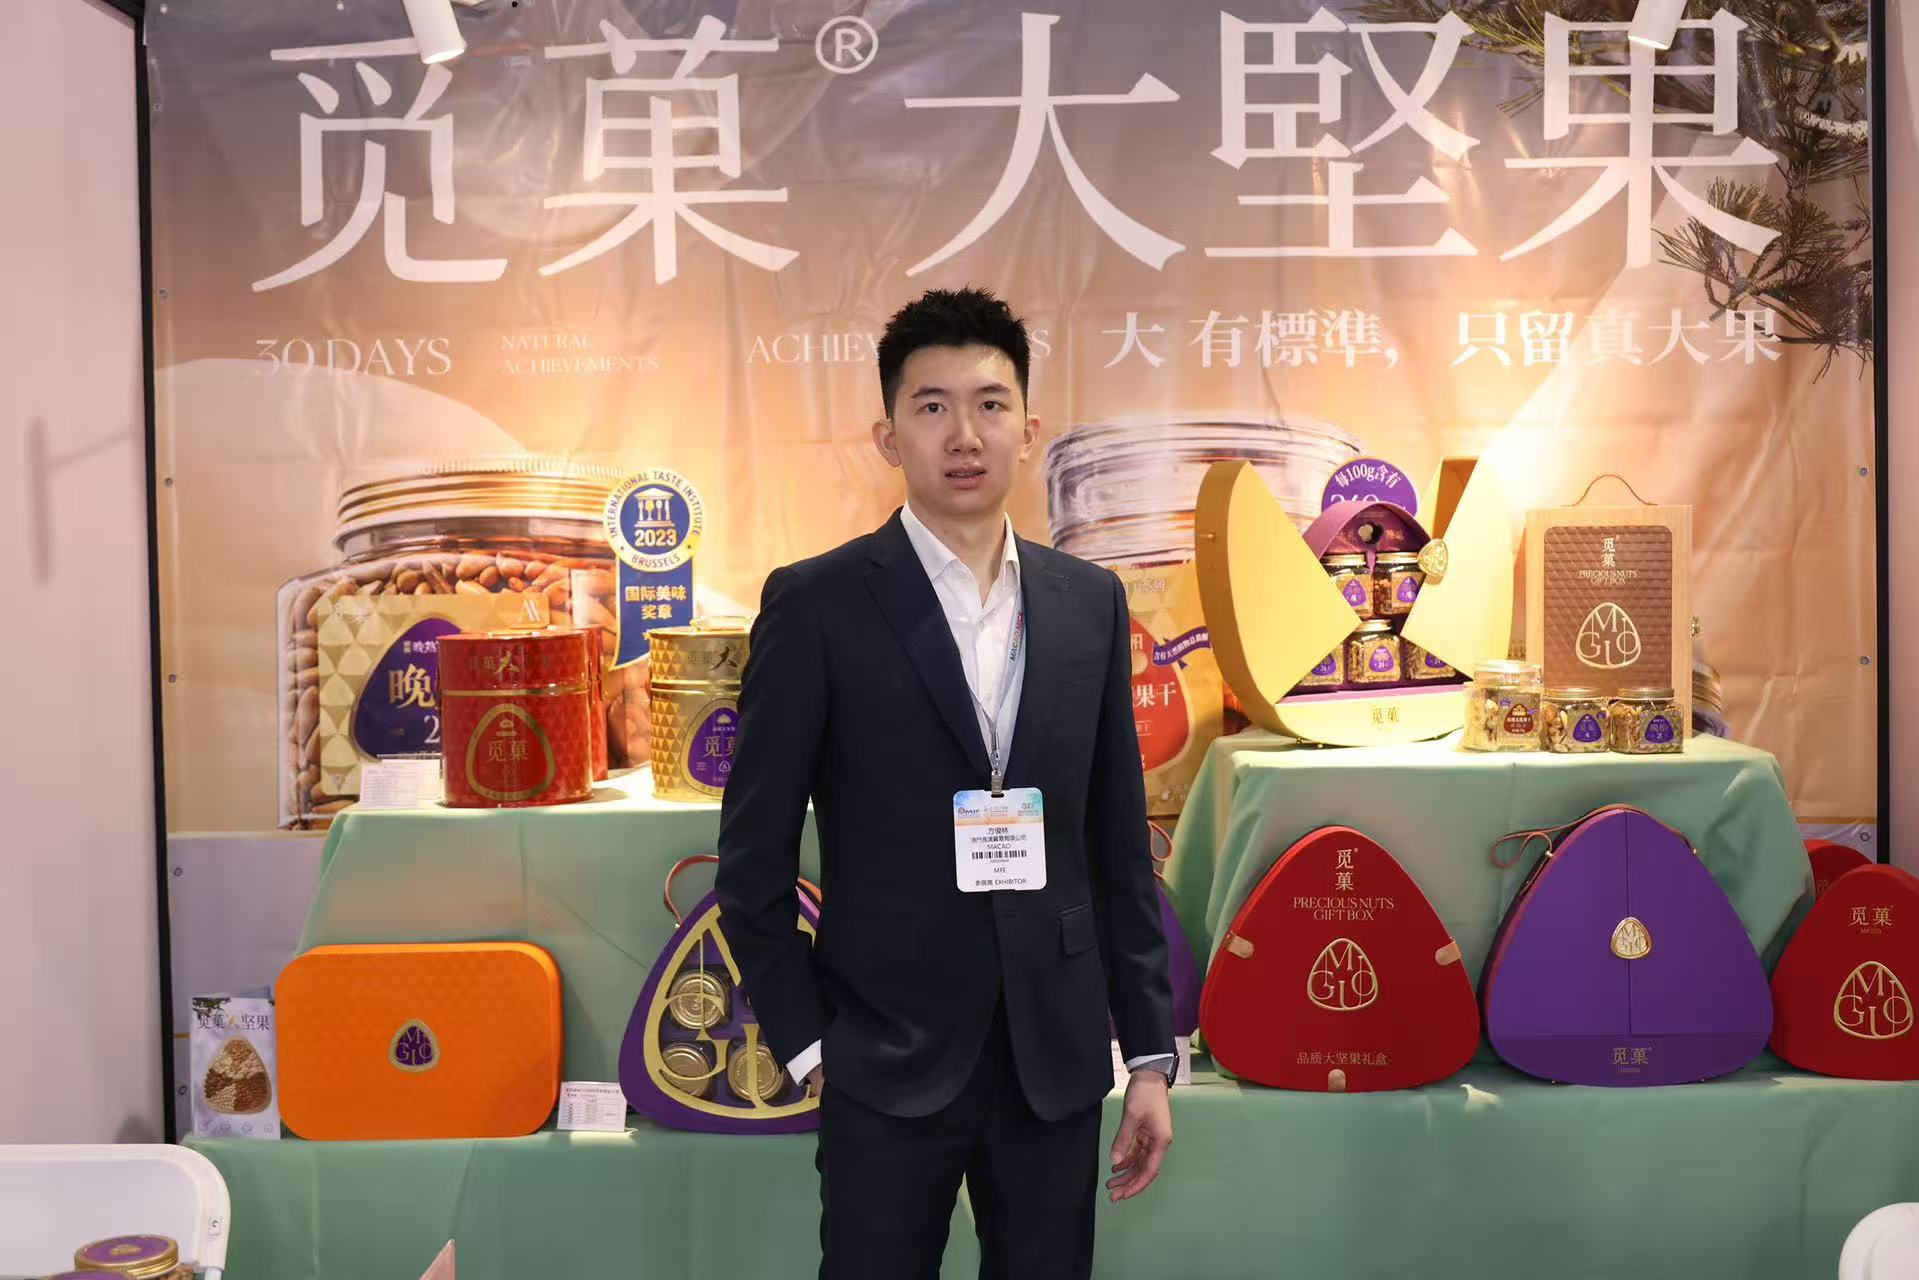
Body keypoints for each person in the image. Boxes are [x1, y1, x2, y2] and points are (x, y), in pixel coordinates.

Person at [715, 286, 1175, 1280]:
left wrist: (1146, 1054)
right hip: (880, 1053)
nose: (964, 434)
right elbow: (750, 863)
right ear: (887, 436)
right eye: (931, 407)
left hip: (1051, 1059)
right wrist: (810, 1046)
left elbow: (1114, 847)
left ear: (1029, 429)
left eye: (990, 404)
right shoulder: (817, 604)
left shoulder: (1088, 602)